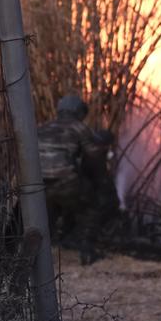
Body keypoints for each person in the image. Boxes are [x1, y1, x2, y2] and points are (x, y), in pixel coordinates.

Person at [37, 94, 104, 265]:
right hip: (65, 181)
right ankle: (87, 252)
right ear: (79, 112)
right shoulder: (79, 128)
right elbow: (93, 155)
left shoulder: (43, 127)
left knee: (47, 214)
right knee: (91, 207)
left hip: (39, 185)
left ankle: (46, 251)